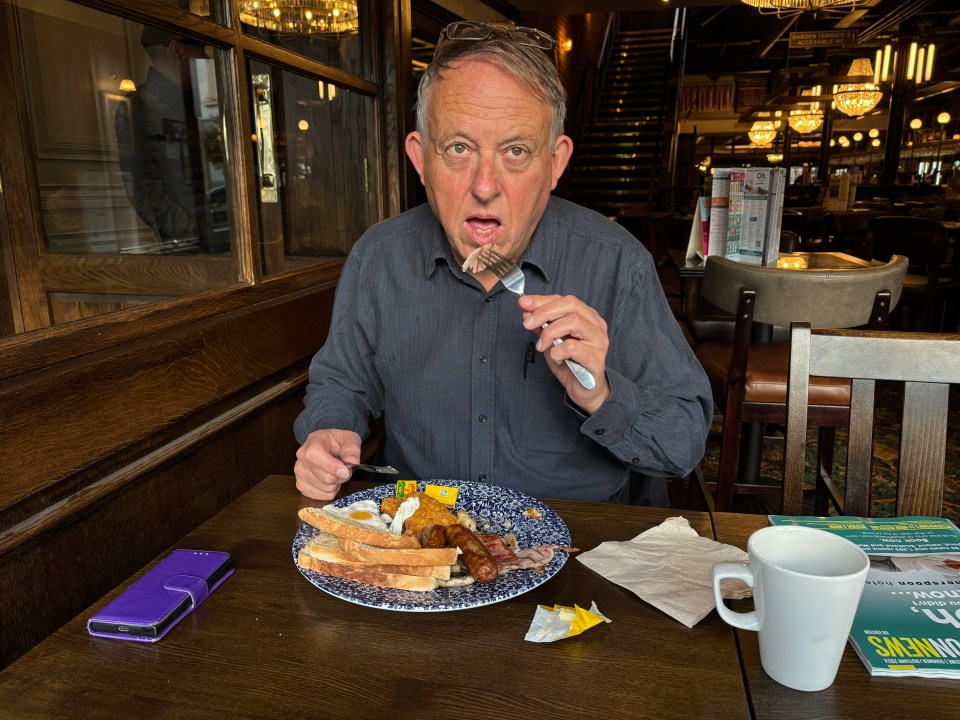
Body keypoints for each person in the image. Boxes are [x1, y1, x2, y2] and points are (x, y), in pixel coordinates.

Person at [293, 21, 712, 504]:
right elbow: (341, 382)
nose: (485, 186)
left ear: (555, 163)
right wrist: (329, 430)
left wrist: (601, 395)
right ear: (421, 158)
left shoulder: (618, 262)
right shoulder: (379, 258)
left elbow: (683, 447)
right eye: (458, 148)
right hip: (425, 539)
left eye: (515, 152)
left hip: (581, 546)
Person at [114, 26, 215, 251]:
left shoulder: (201, 106)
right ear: (176, 49)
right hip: (192, 251)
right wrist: (203, 236)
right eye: (199, 49)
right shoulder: (138, 107)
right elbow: (147, 195)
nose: (205, 57)